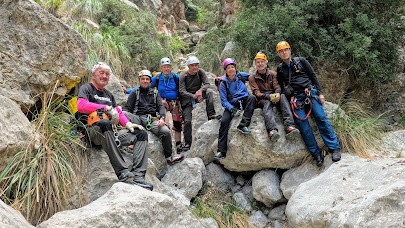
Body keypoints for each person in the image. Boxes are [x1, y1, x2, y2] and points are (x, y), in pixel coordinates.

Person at [77, 62, 153, 190]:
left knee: (140, 134)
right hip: (93, 132)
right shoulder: (86, 89)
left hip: (110, 132)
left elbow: (118, 111)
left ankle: (139, 177)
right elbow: (81, 105)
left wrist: (128, 124)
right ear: (93, 75)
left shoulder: (109, 95)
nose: (105, 76)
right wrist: (105, 108)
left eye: (107, 74)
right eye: (101, 73)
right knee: (104, 123)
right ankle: (122, 171)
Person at [275, 41, 341, 166]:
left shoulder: (301, 61)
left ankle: (334, 148)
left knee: (320, 117)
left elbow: (313, 75)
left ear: (290, 50)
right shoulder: (280, 69)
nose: (284, 52)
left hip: (309, 93)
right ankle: (317, 154)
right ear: (279, 54)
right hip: (296, 99)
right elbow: (279, 85)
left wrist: (320, 93)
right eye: (281, 51)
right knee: (302, 125)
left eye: (286, 50)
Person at [123, 70, 184, 164]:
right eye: (143, 79)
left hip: (150, 120)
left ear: (150, 81)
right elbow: (128, 108)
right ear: (139, 80)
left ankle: (169, 156)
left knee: (165, 131)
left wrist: (162, 118)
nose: (145, 81)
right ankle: (127, 142)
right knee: (123, 113)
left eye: (147, 79)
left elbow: (161, 107)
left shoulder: (155, 93)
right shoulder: (134, 93)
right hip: (137, 118)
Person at [248, 52, 300, 141]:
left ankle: (289, 126)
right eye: (258, 62)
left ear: (266, 62)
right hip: (262, 99)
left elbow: (277, 86)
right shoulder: (252, 77)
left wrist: (278, 94)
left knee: (283, 96)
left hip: (274, 96)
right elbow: (256, 92)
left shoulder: (273, 74)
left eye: (262, 62)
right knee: (267, 102)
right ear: (255, 64)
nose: (260, 64)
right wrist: (268, 96)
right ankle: (272, 130)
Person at [214, 58, 256, 159]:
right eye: (228, 68)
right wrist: (231, 109)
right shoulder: (223, 83)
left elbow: (253, 76)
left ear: (235, 68)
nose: (231, 69)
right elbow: (224, 101)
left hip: (244, 99)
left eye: (232, 67)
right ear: (225, 70)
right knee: (224, 121)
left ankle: (243, 125)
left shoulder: (240, 75)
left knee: (252, 98)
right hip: (232, 104)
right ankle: (221, 151)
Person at [179, 56, 222, 151]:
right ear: (188, 66)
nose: (195, 67)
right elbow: (182, 91)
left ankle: (211, 114)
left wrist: (200, 90)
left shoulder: (200, 72)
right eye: (192, 65)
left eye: (196, 65)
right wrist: (192, 96)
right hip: (188, 99)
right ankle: (187, 142)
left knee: (209, 92)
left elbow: (207, 84)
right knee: (187, 121)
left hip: (199, 94)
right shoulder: (183, 76)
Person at [150, 57, 184, 153]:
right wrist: (128, 91)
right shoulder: (156, 78)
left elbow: (182, 87)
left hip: (175, 101)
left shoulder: (175, 77)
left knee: (177, 123)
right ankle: (166, 130)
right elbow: (144, 86)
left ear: (170, 67)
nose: (166, 69)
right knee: (163, 107)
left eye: (168, 67)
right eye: (164, 67)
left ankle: (178, 144)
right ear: (161, 68)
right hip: (163, 101)